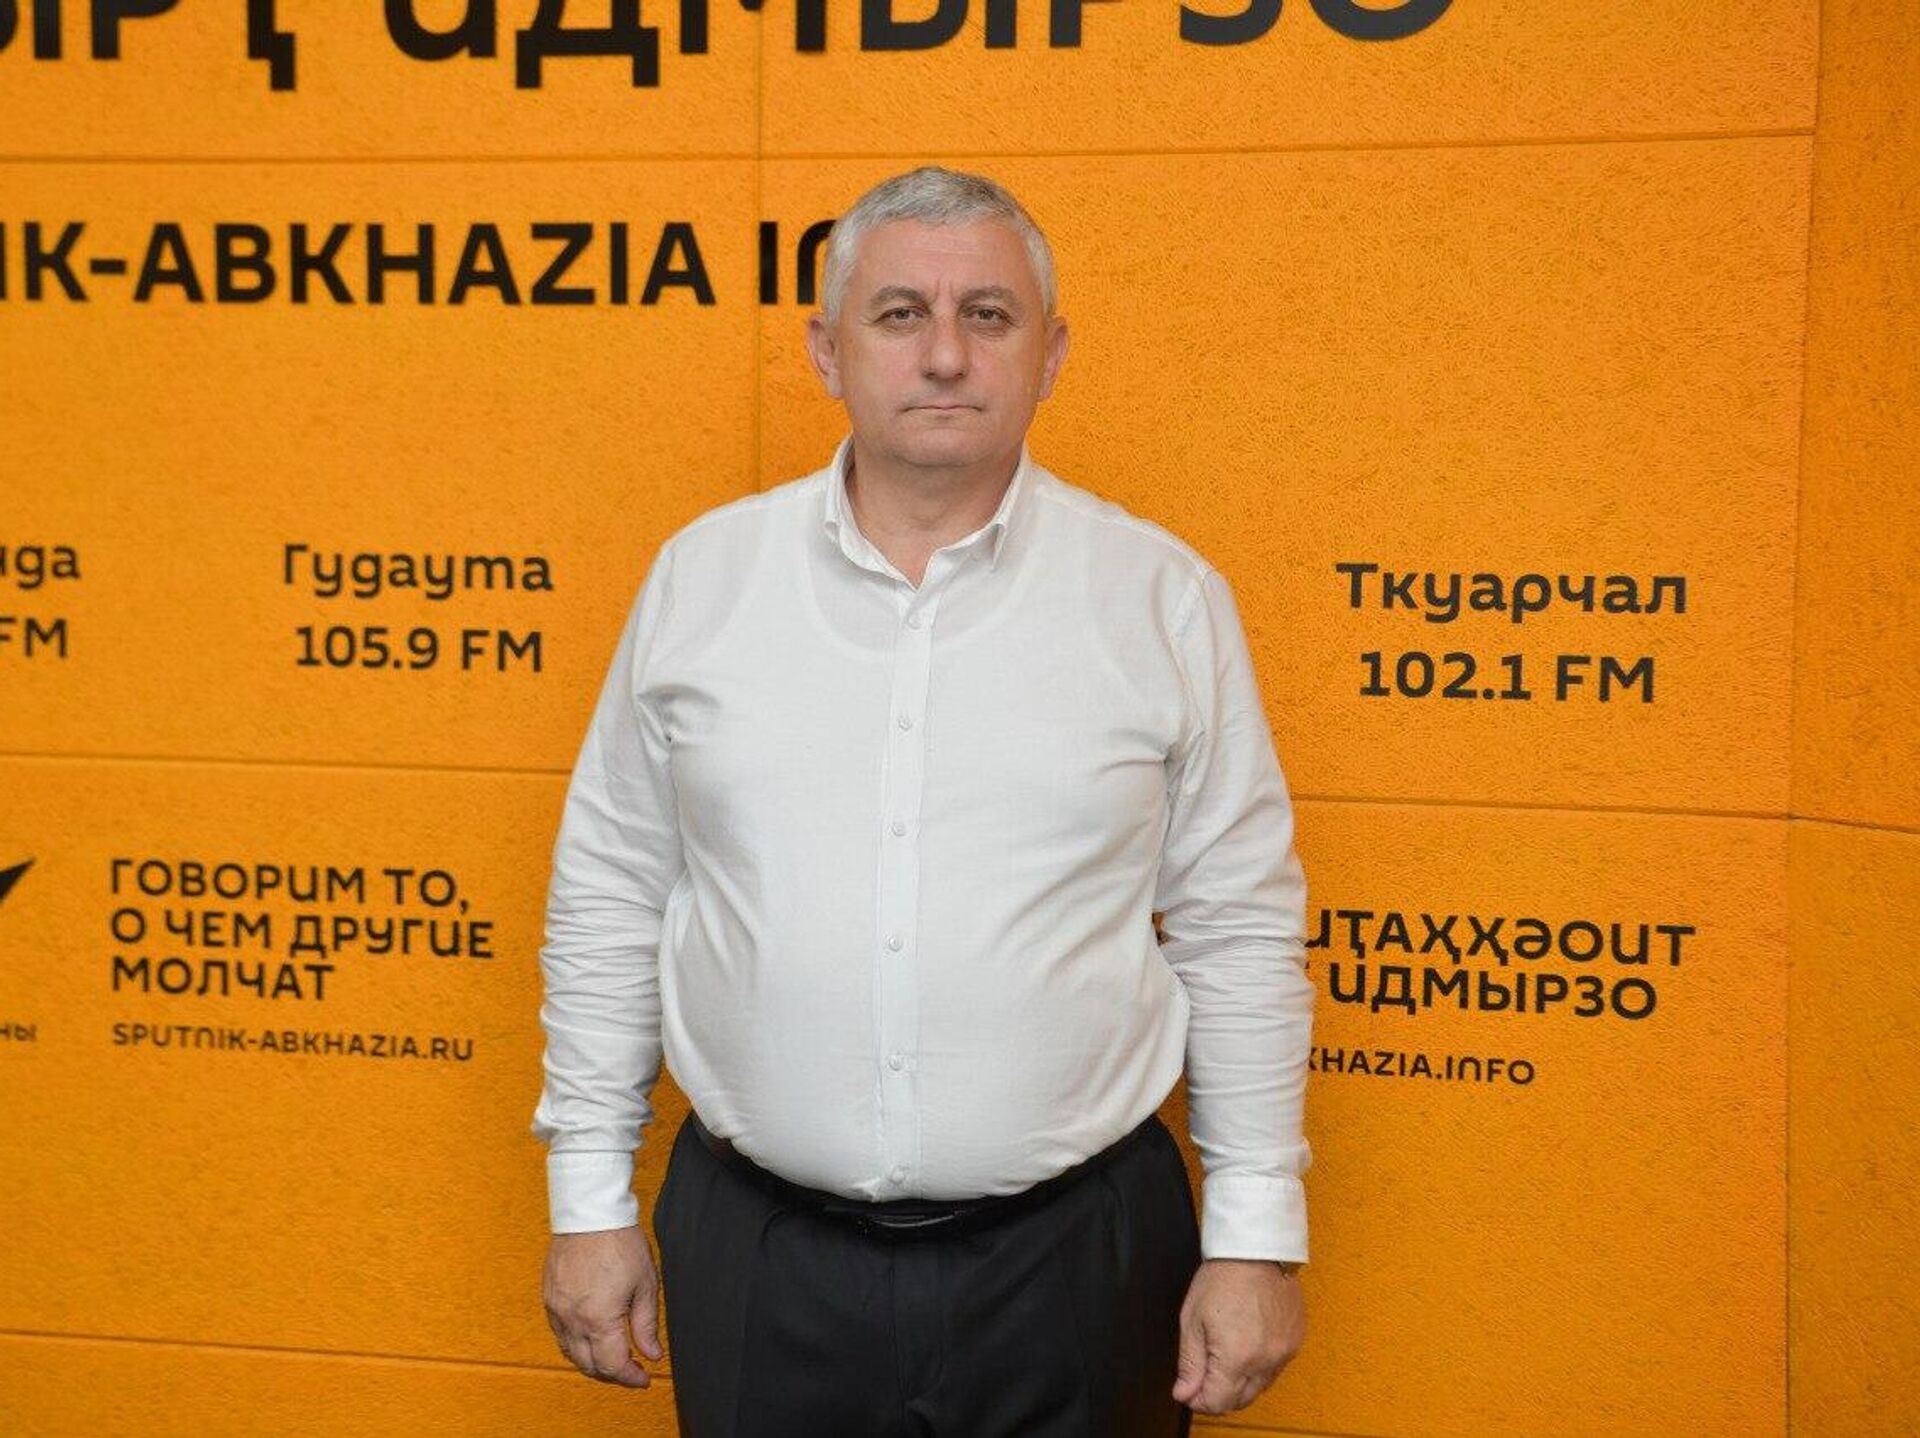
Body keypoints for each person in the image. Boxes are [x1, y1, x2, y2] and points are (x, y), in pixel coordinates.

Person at [531, 164, 1315, 1436]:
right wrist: (586, 1198)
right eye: (899, 314)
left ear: (1051, 354)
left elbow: (1238, 927)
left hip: (1078, 1265)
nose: (945, 354)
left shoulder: (1161, 598)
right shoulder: (703, 580)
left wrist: (1255, 1234)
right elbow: (612, 892)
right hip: (761, 1259)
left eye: (988, 316)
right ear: (825, 351)